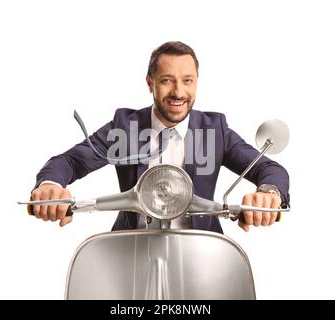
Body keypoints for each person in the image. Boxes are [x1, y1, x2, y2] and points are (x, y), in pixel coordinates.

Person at [30, 41, 290, 233]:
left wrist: (268, 193)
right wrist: (49, 186)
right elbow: (71, 161)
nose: (178, 92)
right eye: (167, 80)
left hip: (202, 255)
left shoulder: (214, 129)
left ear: (196, 82)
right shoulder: (125, 127)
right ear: (150, 82)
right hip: (130, 251)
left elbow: (268, 168)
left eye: (187, 81)